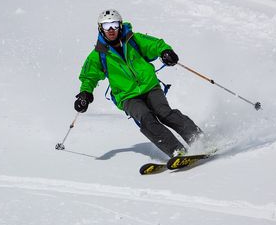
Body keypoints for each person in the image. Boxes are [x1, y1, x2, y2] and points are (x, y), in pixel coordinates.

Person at [74, 9, 202, 157]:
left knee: (165, 113)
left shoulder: (133, 40)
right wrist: (84, 94)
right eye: (106, 26)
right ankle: (177, 152)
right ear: (100, 28)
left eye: (114, 25)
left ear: (120, 25)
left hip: (150, 86)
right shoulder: (98, 54)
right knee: (147, 119)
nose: (111, 30)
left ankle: (199, 140)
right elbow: (89, 76)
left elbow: (156, 45)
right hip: (127, 96)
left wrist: (166, 52)